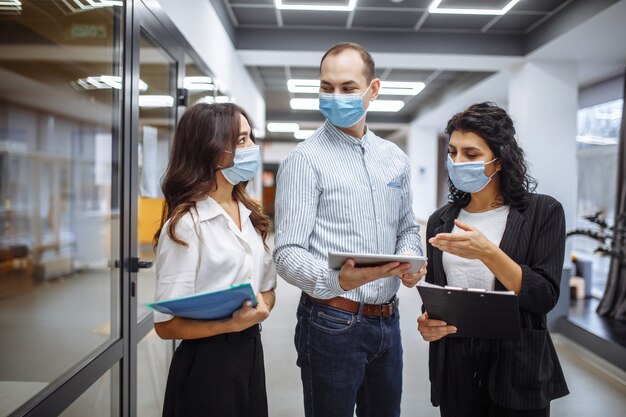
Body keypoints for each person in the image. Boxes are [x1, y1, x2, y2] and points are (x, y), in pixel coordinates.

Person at [273, 42, 426, 417]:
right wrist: (338, 280)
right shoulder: (304, 161)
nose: (335, 96)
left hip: (388, 322)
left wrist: (410, 259)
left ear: (373, 90)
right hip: (331, 322)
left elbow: (407, 226)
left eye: (347, 87)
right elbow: (286, 253)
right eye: (327, 87)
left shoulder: (394, 158)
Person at [417, 102, 569, 417]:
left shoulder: (543, 212)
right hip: (456, 365)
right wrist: (428, 321)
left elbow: (543, 296)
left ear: (500, 160)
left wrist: (487, 252)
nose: (458, 162)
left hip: (517, 365)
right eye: (453, 152)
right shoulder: (441, 220)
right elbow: (437, 293)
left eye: (471, 155)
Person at [152, 103, 276, 417]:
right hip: (207, 364)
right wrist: (228, 324)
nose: (253, 148)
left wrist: (261, 306)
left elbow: (268, 289)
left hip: (250, 353)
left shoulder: (251, 215)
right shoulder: (185, 226)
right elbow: (166, 326)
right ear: (211, 149)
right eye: (242, 140)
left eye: (251, 138)